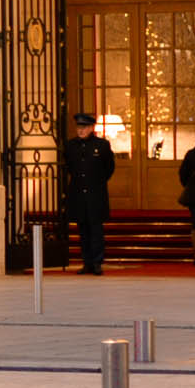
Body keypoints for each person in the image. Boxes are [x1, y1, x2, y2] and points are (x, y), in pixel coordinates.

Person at [63, 112, 117, 274]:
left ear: (91, 128)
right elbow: (70, 167)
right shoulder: (71, 146)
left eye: (84, 127)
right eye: (78, 127)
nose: (80, 130)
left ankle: (97, 262)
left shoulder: (102, 145)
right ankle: (87, 262)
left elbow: (109, 168)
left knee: (96, 230)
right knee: (83, 230)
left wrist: (97, 182)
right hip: (79, 194)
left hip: (95, 194)